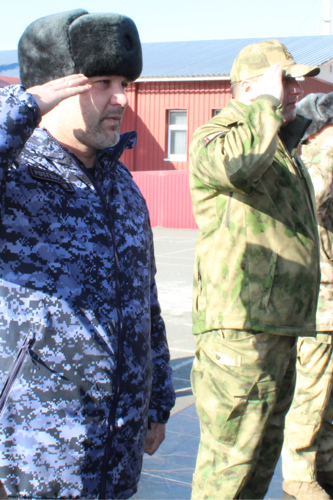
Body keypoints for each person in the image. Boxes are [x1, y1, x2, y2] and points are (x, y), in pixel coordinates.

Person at [0, 9, 175, 499]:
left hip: (118, 445)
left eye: (124, 82)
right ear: (53, 89)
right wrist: (21, 107)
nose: (122, 98)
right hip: (35, 449)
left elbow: (146, 299)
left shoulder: (121, 184)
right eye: (102, 82)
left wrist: (157, 397)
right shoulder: (15, 175)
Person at [188, 39, 321, 499]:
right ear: (250, 87)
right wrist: (265, 101)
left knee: (262, 456)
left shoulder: (276, 142)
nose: (296, 91)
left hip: (277, 324)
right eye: (286, 80)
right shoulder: (218, 135)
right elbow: (238, 167)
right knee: (229, 463)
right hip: (239, 330)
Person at [279, 92, 333, 500]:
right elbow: (307, 207)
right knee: (311, 395)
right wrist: (326, 155)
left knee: (331, 394)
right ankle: (298, 474)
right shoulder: (308, 167)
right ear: (314, 132)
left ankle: (324, 463)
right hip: (320, 307)